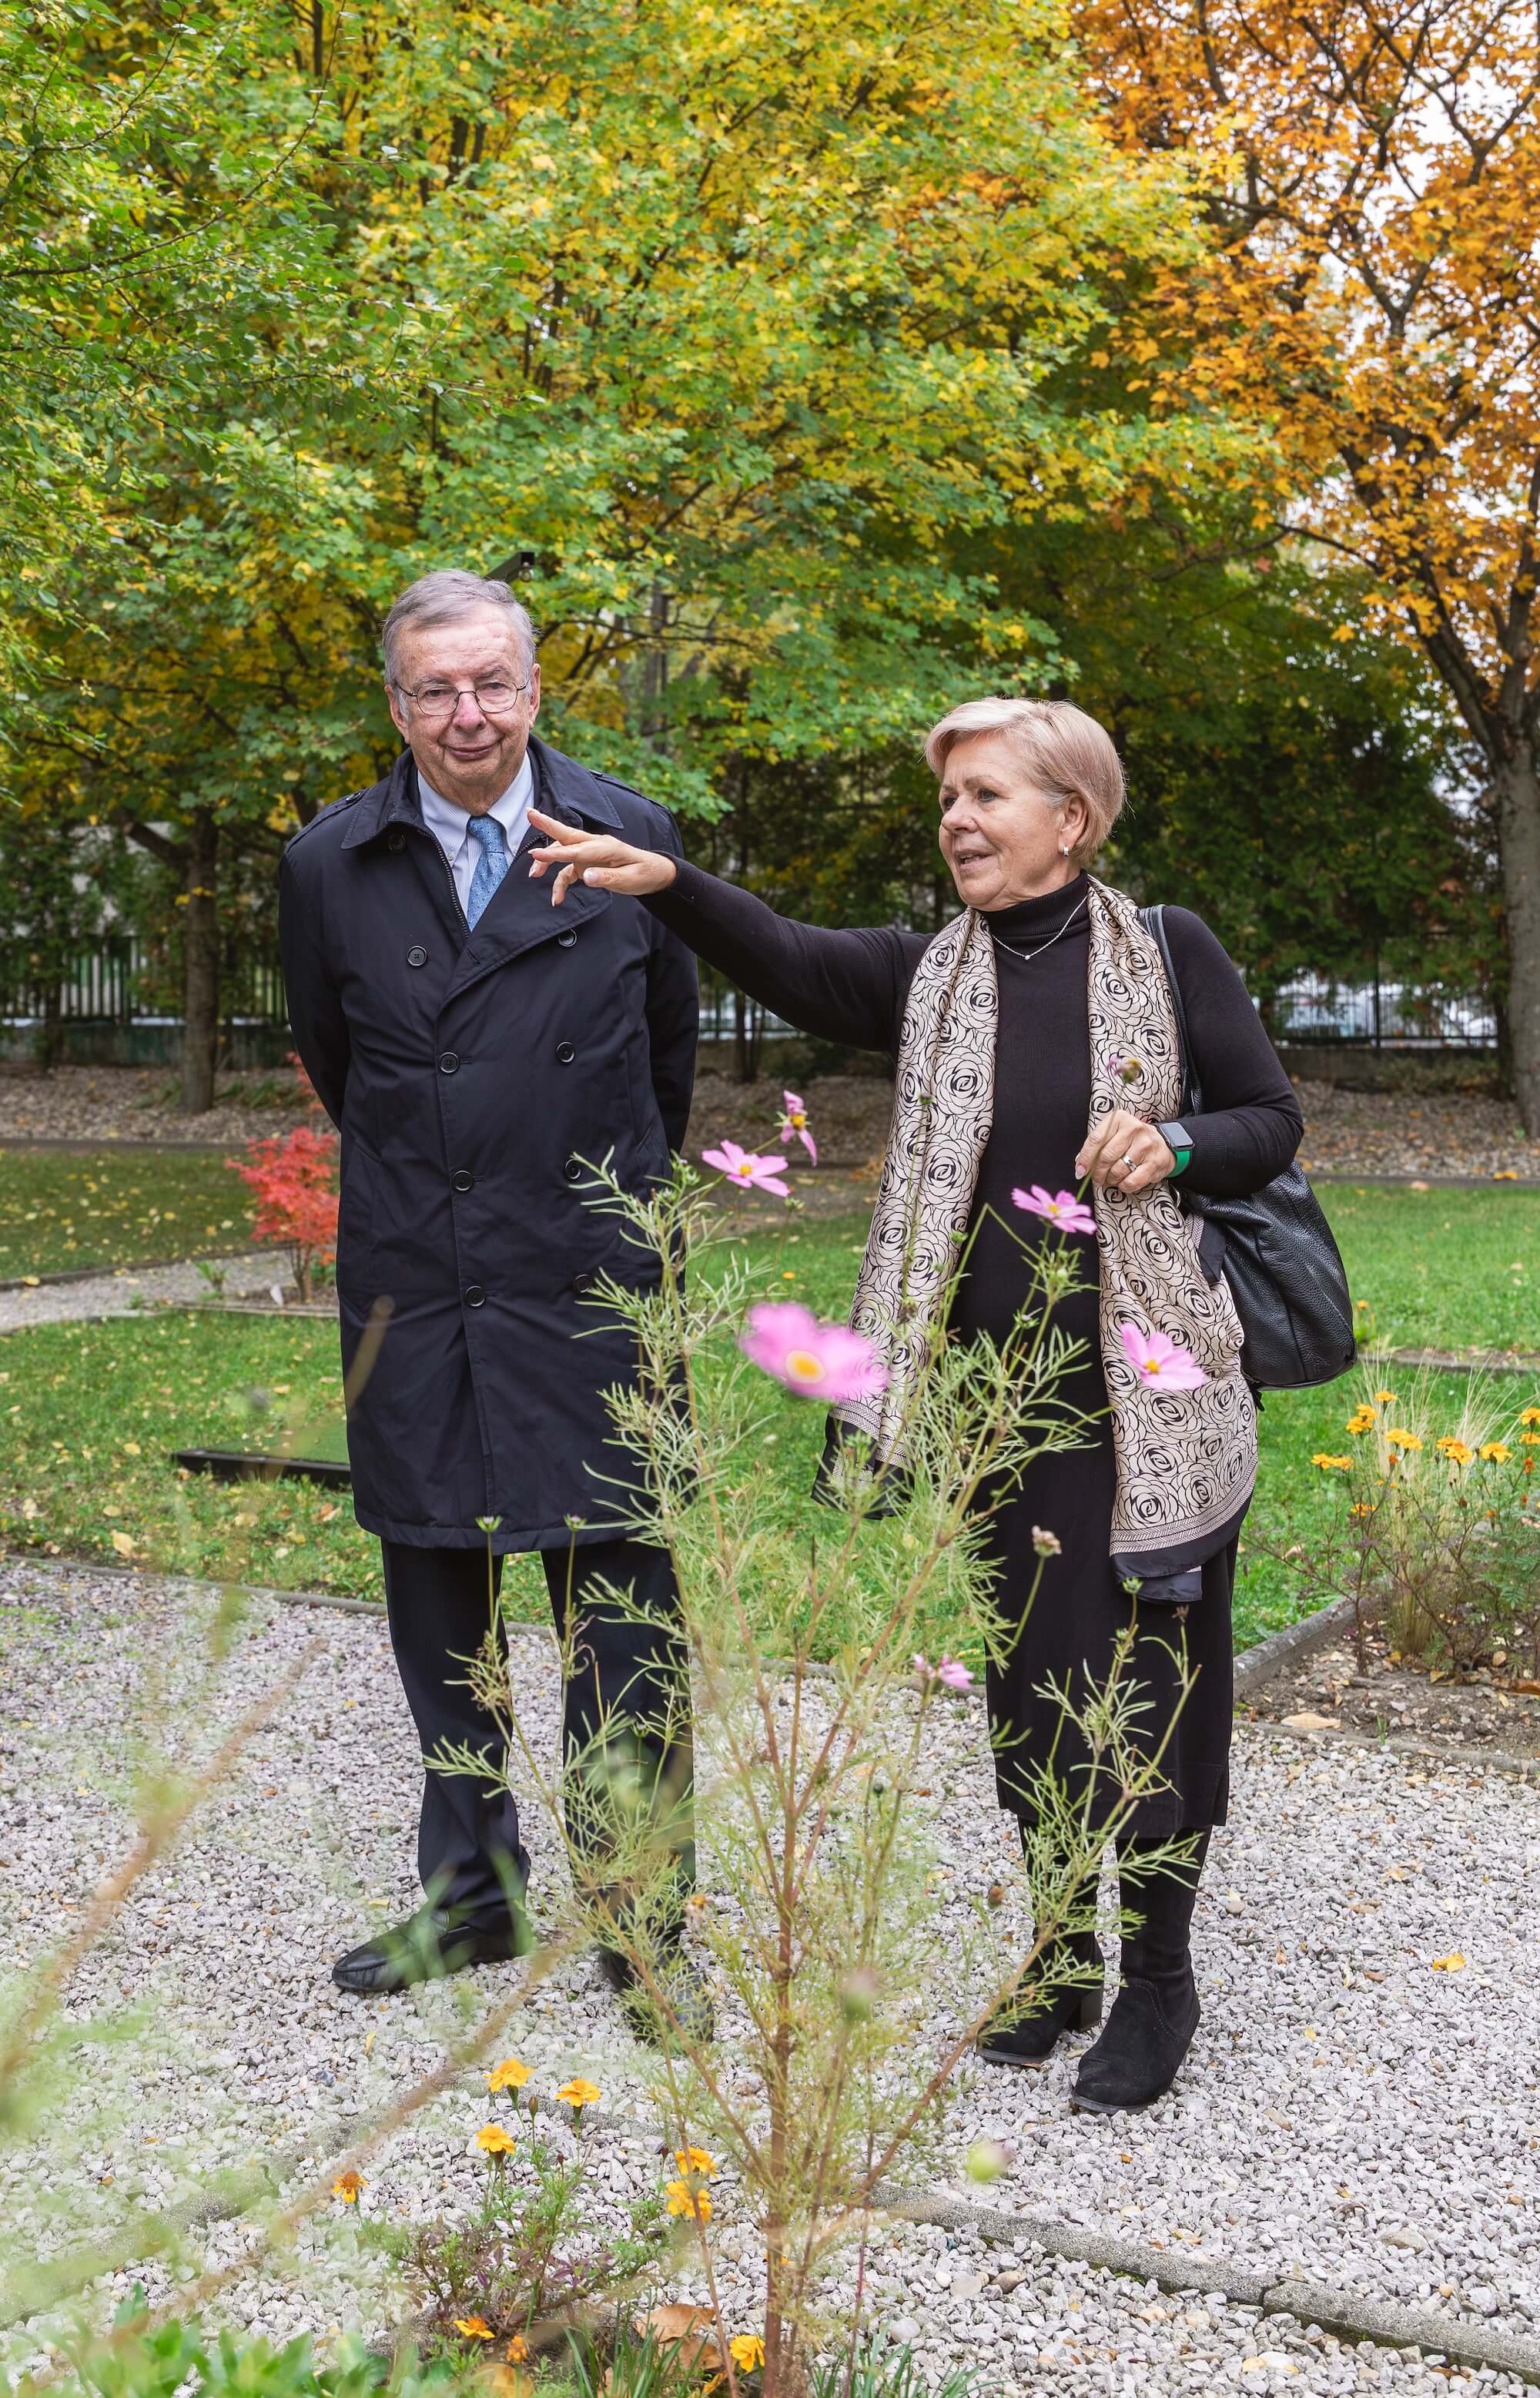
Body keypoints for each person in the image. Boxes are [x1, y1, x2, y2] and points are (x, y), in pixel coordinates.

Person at [522, 696, 1304, 2112]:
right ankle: (1062, 1960)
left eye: (987, 797)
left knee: (1152, 1695)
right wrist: (674, 886)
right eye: (949, 801)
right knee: (1030, 1690)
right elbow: (795, 958)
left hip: (1150, 1400)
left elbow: (1269, 1123)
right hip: (994, 1407)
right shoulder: (930, 972)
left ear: (1071, 818)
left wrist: (1175, 1138)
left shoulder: (1167, 950)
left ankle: (1159, 1977)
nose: (958, 821)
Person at [280, 569, 706, 2036]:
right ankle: (472, 1897)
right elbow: (340, 1063)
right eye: (434, 690)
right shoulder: (329, 862)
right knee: (435, 1600)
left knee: (626, 1624)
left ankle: (645, 1926)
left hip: (592, 1281)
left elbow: (667, 1071)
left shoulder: (627, 837)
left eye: (492, 684)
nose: (467, 714)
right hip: (421, 1273)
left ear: (535, 690)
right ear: (396, 705)